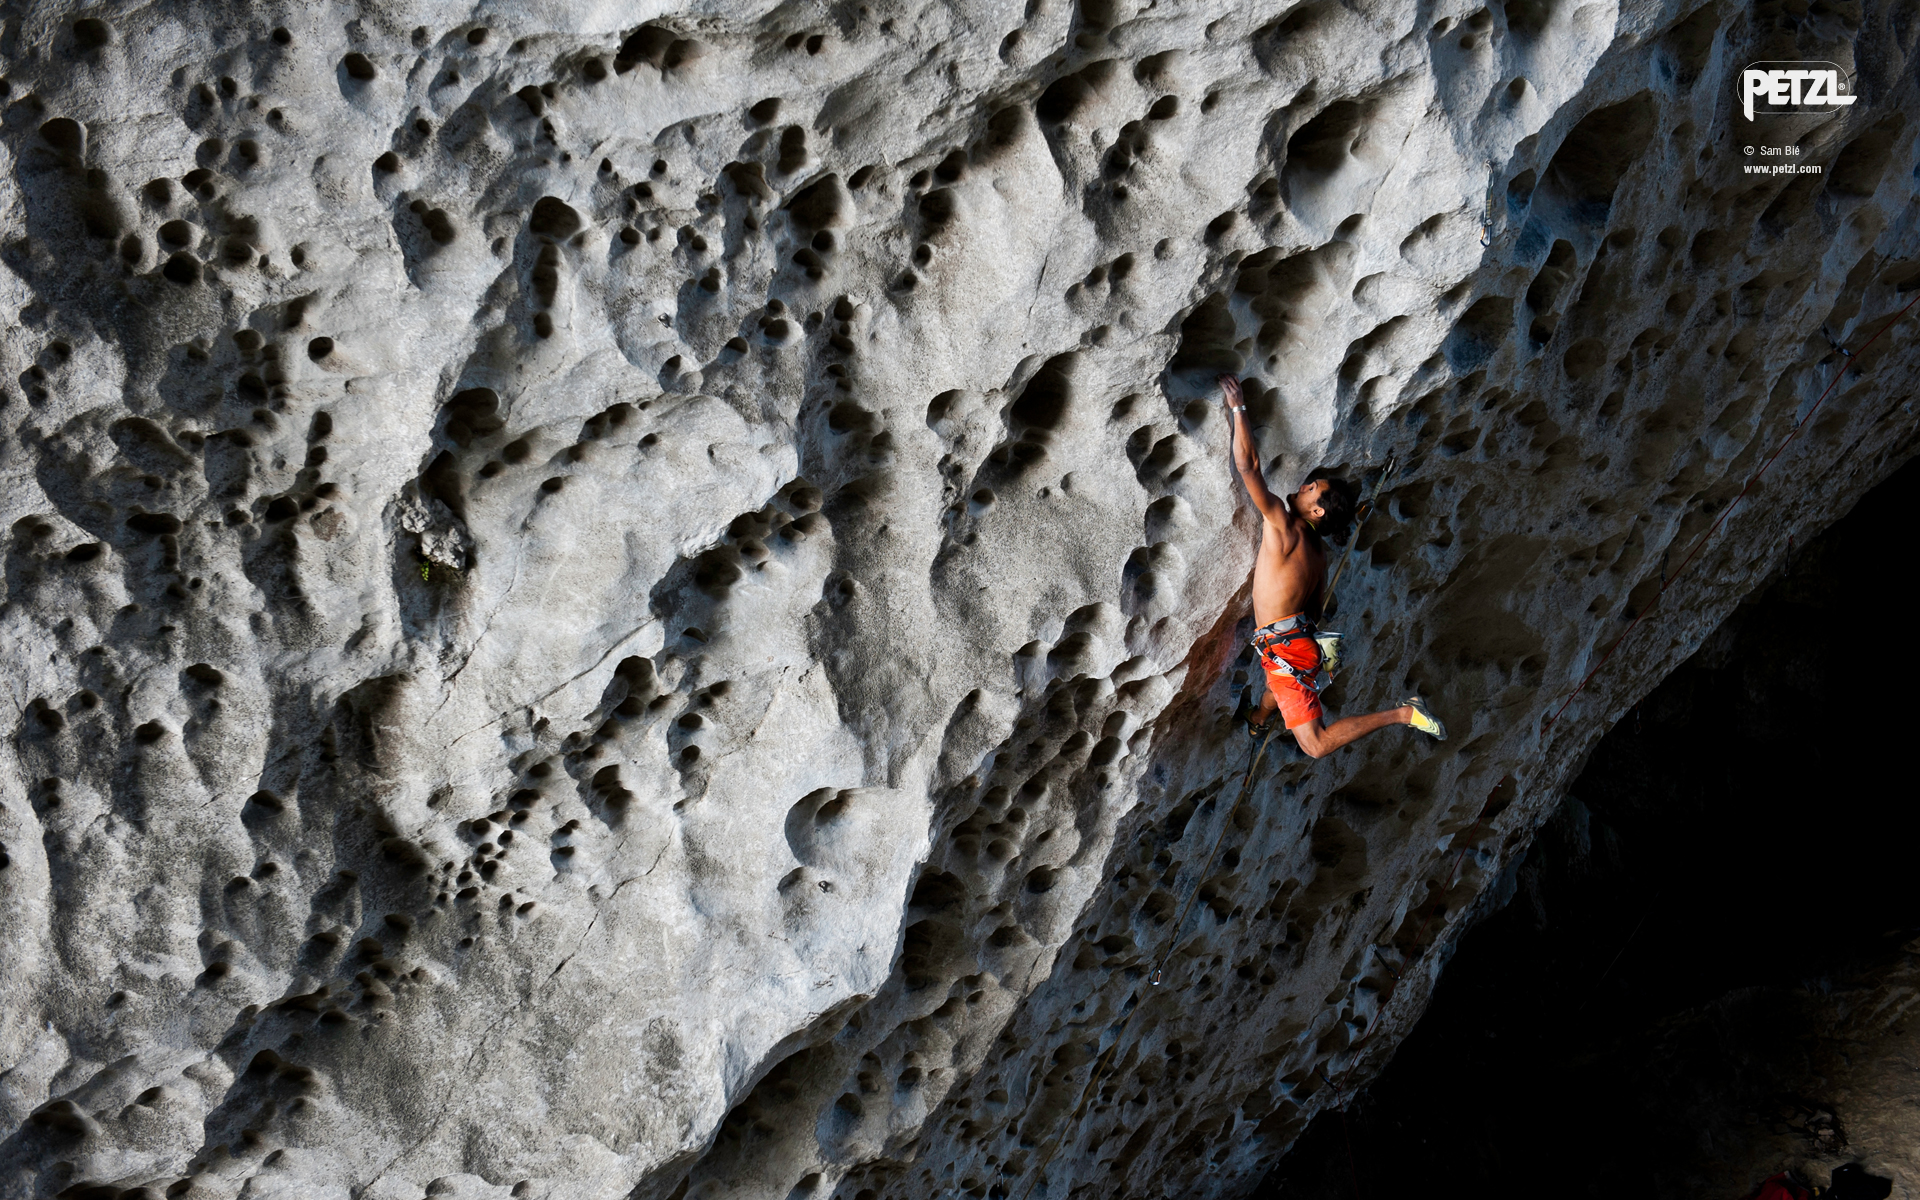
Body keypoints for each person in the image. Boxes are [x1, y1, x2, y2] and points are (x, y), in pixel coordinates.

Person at [1219, 374, 1445, 757]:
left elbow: (1249, 467)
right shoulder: (1319, 555)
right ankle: (1258, 720)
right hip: (1293, 646)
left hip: (1290, 649)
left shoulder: (1284, 526)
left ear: (1317, 510)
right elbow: (1315, 610)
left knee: (1316, 744)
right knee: (1281, 682)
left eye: (1313, 489)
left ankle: (1405, 714)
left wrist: (1238, 408)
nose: (1305, 486)